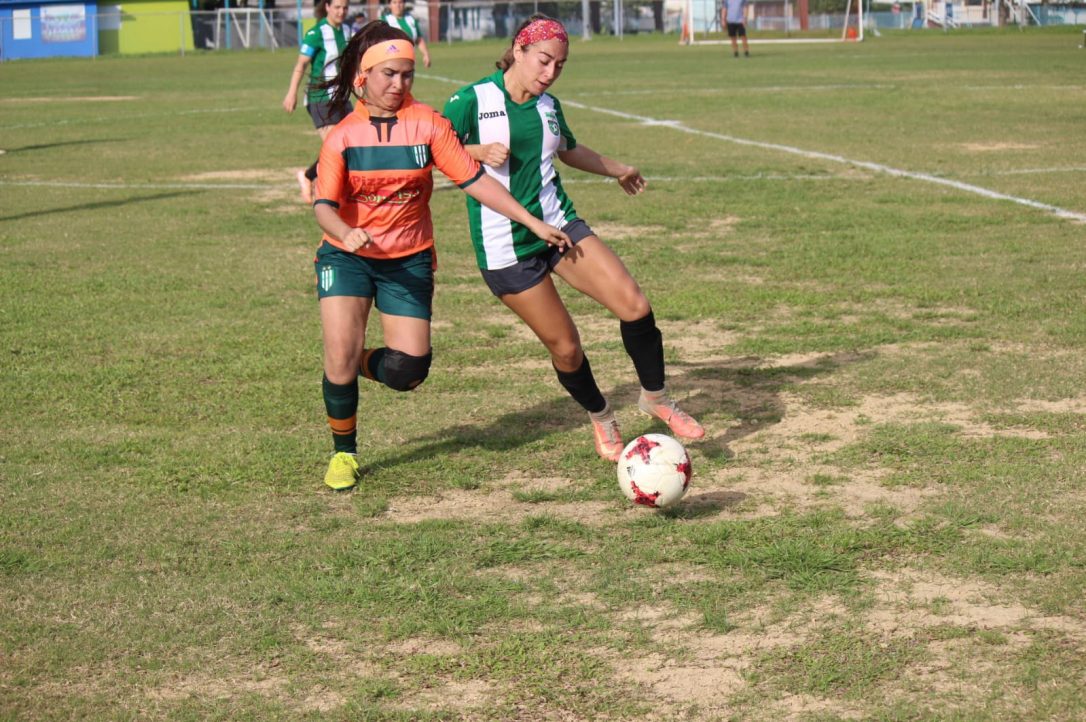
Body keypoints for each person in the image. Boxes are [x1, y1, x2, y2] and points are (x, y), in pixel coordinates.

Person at [312, 21, 570, 490]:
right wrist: (346, 233)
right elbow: (323, 208)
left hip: (408, 258)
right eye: (389, 74)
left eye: (407, 75)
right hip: (346, 256)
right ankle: (344, 453)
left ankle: (353, 363)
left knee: (408, 371)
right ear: (363, 77)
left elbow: (475, 180)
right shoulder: (341, 137)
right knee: (338, 356)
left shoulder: (428, 123)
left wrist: (532, 221)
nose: (399, 84)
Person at [441, 16, 704, 463]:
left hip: (559, 226)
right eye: (544, 61)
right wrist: (477, 151)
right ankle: (601, 415)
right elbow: (430, 150)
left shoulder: (548, 105)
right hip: (507, 247)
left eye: (560, 66)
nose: (550, 73)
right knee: (566, 348)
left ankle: (656, 397)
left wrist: (619, 169)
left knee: (635, 306)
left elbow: (567, 148)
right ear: (518, 50)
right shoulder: (471, 100)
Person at [282, 0, 352, 205]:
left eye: (345, 7)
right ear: (327, 7)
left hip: (341, 97)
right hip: (320, 98)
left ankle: (308, 176)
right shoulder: (316, 33)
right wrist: (292, 92)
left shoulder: (347, 31)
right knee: (337, 148)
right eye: (337, 7)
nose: (341, 11)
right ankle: (328, 191)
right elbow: (301, 64)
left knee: (353, 144)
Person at [380, 0, 431, 68]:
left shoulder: (411, 19)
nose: (398, 5)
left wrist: (426, 54)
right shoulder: (384, 20)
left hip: (409, 61)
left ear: (404, 4)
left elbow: (418, 39)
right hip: (391, 62)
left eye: (400, 2)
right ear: (390, 5)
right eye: (394, 2)